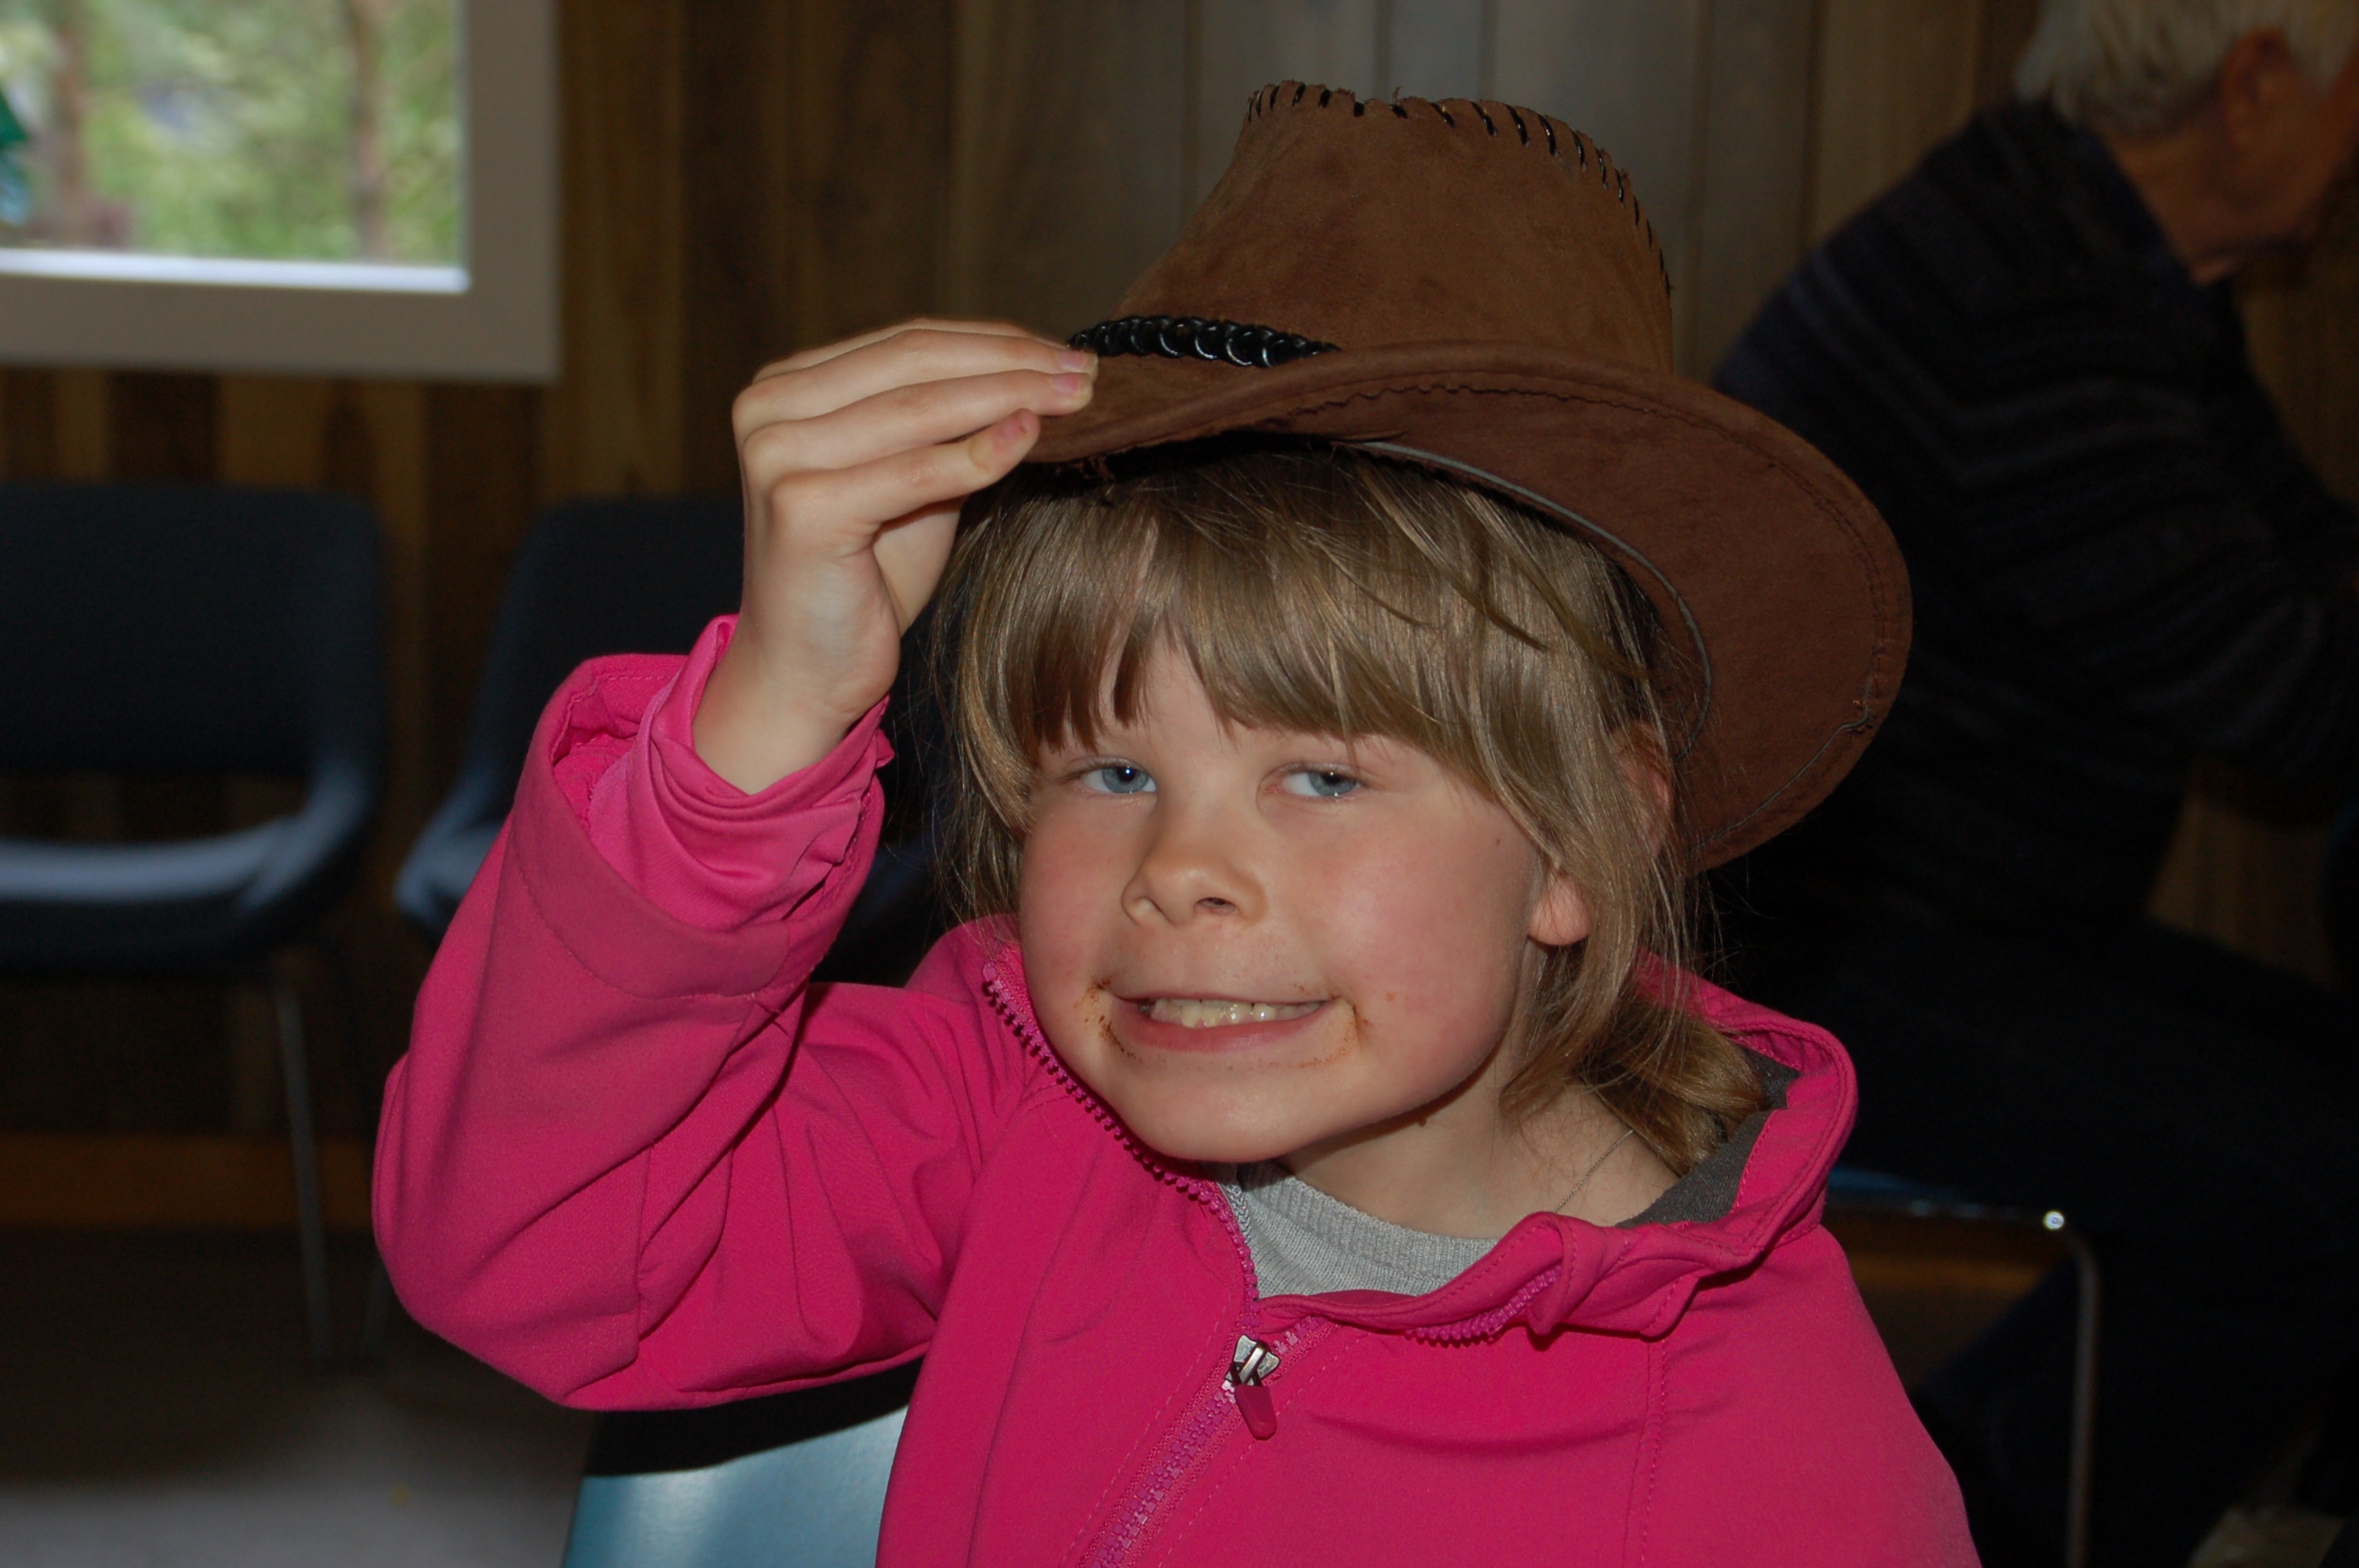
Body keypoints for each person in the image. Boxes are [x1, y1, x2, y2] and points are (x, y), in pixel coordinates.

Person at [377, 86, 1969, 1564]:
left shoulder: (1776, 1471)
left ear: (1586, 837)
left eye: (1321, 777)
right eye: (1113, 773)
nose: (1180, 873)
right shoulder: (1012, 1105)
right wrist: (766, 726)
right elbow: (535, 1247)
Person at [1715, 2, 2359, 1563]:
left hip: (1960, 913)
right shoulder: (2036, 298)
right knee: (2320, 1194)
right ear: (2254, 82)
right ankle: (1961, 1522)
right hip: (1812, 940)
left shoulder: (2097, 239)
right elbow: (2288, 699)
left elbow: (2307, 553)